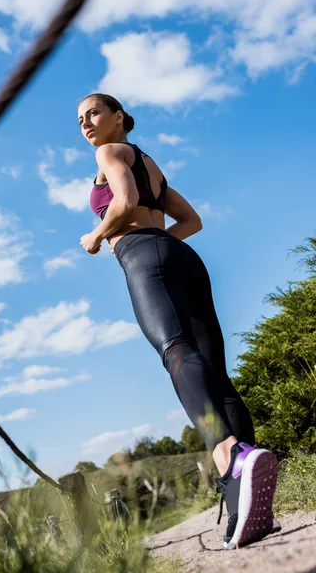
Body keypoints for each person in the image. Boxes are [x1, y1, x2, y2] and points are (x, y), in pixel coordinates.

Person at [78, 93, 280, 549]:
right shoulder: (152, 164)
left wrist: (98, 235)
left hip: (141, 254)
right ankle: (246, 506)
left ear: (118, 118)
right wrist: (161, 246)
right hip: (181, 256)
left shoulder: (108, 152)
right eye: (80, 119)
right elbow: (191, 220)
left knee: (176, 351)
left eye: (93, 113)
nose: (86, 123)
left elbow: (125, 201)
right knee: (217, 375)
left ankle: (228, 456)